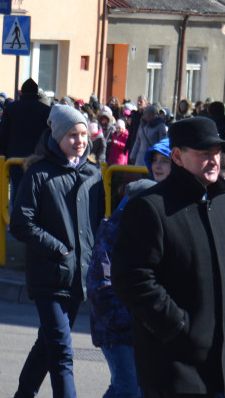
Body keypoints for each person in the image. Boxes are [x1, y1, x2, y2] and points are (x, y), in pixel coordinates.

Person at [112, 116, 225, 398]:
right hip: (175, 369)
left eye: (217, 152)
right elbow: (132, 280)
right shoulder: (150, 208)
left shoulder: (221, 202)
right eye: (203, 153)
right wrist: (179, 327)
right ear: (177, 156)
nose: (213, 160)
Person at [10, 104, 104, 398]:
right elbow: (21, 223)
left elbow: (97, 224)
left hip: (79, 277)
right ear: (57, 137)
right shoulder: (38, 174)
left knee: (48, 344)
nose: (79, 141)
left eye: (83, 134)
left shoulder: (94, 174)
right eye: (72, 135)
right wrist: (60, 250)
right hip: (48, 275)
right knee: (62, 351)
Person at [87, 140, 165, 398]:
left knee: (126, 387)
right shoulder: (113, 232)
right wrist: (129, 320)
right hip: (117, 331)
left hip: (140, 330)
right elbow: (101, 287)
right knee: (129, 389)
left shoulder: (150, 233)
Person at [0, 78, 52, 202]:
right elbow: (50, 135)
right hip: (39, 157)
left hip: (14, 158)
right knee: (37, 191)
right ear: (36, 92)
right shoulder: (46, 111)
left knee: (17, 190)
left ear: (22, 93)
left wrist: (1, 155)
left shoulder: (11, 109)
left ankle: (15, 218)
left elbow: (2, 134)